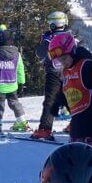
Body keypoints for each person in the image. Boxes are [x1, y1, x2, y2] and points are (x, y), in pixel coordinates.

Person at [46, 32, 92, 165]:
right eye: (58, 61)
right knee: (77, 150)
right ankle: (80, 178)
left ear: (72, 51)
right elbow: (64, 90)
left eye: (63, 58)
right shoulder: (66, 71)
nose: (62, 62)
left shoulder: (85, 66)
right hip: (78, 118)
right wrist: (56, 103)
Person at [32, 11, 71, 140]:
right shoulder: (69, 37)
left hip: (53, 73)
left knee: (50, 101)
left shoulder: (49, 38)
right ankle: (77, 124)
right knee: (71, 98)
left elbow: (40, 54)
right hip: (69, 72)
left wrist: (43, 40)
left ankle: (45, 129)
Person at [0, 25, 28, 133]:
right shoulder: (17, 55)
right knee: (14, 102)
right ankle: (22, 120)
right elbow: (20, 70)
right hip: (12, 85)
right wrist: (21, 83)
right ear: (10, 41)